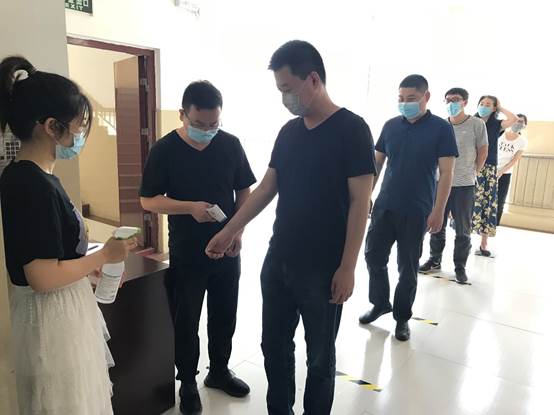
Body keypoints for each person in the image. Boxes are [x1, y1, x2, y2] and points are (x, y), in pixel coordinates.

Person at [205, 40, 375, 415]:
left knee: (320, 356)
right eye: (280, 90)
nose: (284, 98)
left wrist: (348, 267)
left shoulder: (352, 129)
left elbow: (360, 203)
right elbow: (267, 188)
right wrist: (230, 230)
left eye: (287, 88)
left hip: (324, 267)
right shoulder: (289, 132)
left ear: (312, 79)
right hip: (279, 259)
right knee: (274, 346)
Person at [0, 56, 136, 415]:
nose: (79, 136)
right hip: (52, 320)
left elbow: (53, 254)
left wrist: (87, 269)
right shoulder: (30, 184)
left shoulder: (39, 177)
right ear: (50, 127)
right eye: (77, 126)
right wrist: (104, 255)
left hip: (62, 310)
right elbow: (41, 276)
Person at [139, 81, 256, 414]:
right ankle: (188, 381)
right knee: (186, 318)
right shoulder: (164, 150)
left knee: (225, 313)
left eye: (214, 124)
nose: (207, 131)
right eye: (200, 124)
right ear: (183, 115)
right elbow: (148, 200)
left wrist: (237, 232)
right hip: (188, 250)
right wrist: (188, 207)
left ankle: (219, 371)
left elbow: (244, 191)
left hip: (228, 247)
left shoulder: (230, 144)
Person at [359, 75, 458, 340]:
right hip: (385, 206)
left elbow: (447, 172)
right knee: (373, 256)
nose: (405, 103)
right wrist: (367, 194)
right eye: (401, 98)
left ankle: (402, 317)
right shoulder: (391, 126)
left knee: (407, 267)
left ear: (426, 97)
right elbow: (377, 163)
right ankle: (380, 302)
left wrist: (439, 210)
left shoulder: (441, 129)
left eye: (411, 99)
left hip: (417, 209)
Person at [419, 88, 488, 283]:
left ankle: (460, 266)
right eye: (447, 100)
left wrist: (474, 172)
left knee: (462, 228)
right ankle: (434, 260)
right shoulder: (441, 125)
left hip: (464, 184)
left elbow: (483, 150)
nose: (451, 103)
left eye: (455, 100)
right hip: (440, 182)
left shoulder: (477, 124)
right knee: (436, 223)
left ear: (465, 102)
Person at [472, 95, 517, 256]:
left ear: (494, 108)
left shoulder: (496, 124)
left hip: (488, 167)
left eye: (488, 104)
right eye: (482, 103)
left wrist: (500, 107)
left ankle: (484, 243)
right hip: (470, 166)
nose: (484, 106)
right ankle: (463, 238)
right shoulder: (472, 121)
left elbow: (513, 119)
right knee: (468, 201)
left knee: (487, 203)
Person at [497, 114, 528, 225]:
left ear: (524, 125)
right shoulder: (500, 133)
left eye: (521, 122)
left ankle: (494, 226)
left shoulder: (522, 141)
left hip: (505, 173)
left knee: (500, 200)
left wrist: (501, 171)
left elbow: (515, 159)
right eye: (516, 120)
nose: (518, 123)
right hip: (490, 169)